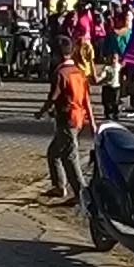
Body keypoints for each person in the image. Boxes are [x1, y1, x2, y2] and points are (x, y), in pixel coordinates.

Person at [36, 36, 96, 205]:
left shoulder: (60, 73)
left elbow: (53, 97)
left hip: (67, 118)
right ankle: (59, 185)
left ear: (57, 55)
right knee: (54, 152)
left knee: (70, 157)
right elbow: (87, 98)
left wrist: (41, 112)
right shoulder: (78, 72)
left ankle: (81, 192)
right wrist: (92, 121)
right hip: (79, 117)